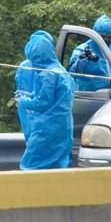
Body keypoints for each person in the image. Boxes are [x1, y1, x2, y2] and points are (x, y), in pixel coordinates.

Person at [16, 30, 75, 170]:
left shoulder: (47, 75)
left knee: (31, 165)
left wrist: (23, 101)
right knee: (60, 165)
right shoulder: (60, 71)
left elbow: (43, 102)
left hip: (47, 127)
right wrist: (30, 97)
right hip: (64, 126)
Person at [68, 15, 111, 91]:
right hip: (89, 96)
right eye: (102, 37)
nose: (106, 39)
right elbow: (71, 73)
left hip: (109, 95)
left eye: (109, 37)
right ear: (95, 35)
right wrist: (80, 62)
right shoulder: (83, 49)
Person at [15, 30, 54, 140]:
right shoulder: (27, 67)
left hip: (34, 107)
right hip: (32, 108)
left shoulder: (47, 67)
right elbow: (24, 92)